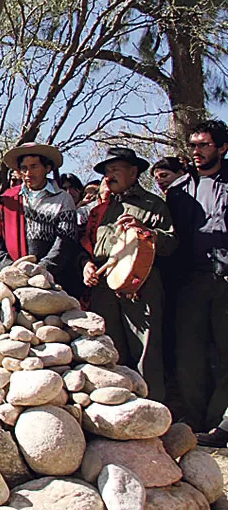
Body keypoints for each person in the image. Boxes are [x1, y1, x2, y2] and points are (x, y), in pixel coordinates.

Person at [78, 147, 175, 402]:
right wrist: (86, 265)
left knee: (146, 352)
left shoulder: (154, 205)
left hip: (140, 285)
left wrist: (146, 232)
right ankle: (118, 413)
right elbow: (86, 247)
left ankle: (152, 412)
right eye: (106, 171)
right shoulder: (100, 210)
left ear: (134, 173)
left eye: (114, 170)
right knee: (111, 351)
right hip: (103, 288)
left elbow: (172, 243)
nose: (109, 176)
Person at [167, 119, 228, 435]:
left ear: (222, 147)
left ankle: (223, 423)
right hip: (190, 282)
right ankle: (196, 420)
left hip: (226, 279)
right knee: (189, 355)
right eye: (193, 146)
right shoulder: (178, 191)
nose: (196, 151)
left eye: (204, 145)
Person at [0, 143, 78, 280]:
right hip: (9, 278)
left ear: (47, 168)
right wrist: (9, 268)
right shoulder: (6, 200)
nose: (28, 173)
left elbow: (65, 242)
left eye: (34, 167)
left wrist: (41, 269)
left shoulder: (63, 199)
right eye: (24, 168)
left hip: (48, 280)